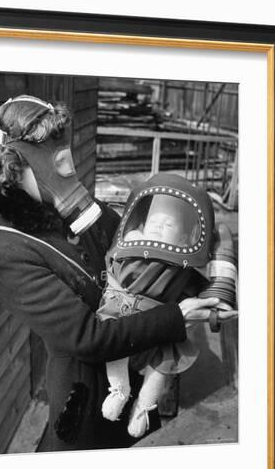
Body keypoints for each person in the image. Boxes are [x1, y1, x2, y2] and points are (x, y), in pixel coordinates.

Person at [0, 94, 227, 452]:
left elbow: (141, 249)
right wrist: (178, 315)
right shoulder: (7, 249)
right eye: (49, 155)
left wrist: (178, 228)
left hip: (138, 367)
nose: (65, 168)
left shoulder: (78, 209)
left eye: (63, 149)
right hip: (85, 397)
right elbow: (87, 338)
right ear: (13, 167)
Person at [97, 173, 238, 438]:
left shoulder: (181, 267)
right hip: (122, 316)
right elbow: (111, 268)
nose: (159, 227)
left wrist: (216, 311)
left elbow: (203, 294)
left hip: (161, 328)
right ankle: (119, 390)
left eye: (169, 224)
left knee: (162, 366)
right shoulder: (130, 249)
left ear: (184, 236)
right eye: (155, 221)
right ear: (141, 224)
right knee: (113, 347)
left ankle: (143, 406)